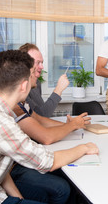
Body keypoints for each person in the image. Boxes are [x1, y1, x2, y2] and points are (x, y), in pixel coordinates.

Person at [0, 50, 99, 203]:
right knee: (61, 188)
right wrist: (84, 148)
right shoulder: (2, 124)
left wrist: (18, 198)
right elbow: (46, 161)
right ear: (24, 86)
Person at [10, 64, 91, 203]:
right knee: (62, 187)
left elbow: (41, 120)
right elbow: (46, 137)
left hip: (22, 161)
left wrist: (71, 125)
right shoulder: (14, 108)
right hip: (17, 166)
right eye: (34, 69)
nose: (38, 72)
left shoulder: (22, 103)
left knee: (66, 175)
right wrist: (75, 131)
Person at [20, 43, 69, 117]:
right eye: (38, 62)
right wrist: (59, 89)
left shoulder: (36, 83)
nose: (42, 67)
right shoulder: (20, 88)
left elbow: (40, 116)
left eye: (42, 62)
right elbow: (41, 115)